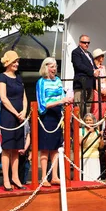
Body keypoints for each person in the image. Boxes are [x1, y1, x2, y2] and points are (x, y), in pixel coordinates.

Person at [36, 57, 70, 187]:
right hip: (46, 116)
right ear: (46, 67)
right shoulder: (41, 82)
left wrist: (65, 100)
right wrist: (59, 102)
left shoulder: (58, 81)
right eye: (51, 67)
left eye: (55, 67)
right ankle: (44, 176)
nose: (54, 69)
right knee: (45, 148)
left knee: (56, 147)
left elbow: (61, 95)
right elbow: (42, 104)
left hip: (57, 115)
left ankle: (55, 176)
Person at [0, 50, 27, 190]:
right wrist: (16, 113)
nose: (17, 64)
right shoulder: (2, 77)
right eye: (14, 61)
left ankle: (16, 177)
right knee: (7, 148)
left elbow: (24, 97)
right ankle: (6, 179)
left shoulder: (19, 77)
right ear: (8, 63)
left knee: (16, 148)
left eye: (17, 61)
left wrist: (24, 111)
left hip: (20, 116)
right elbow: (3, 98)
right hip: (8, 115)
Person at [71, 34, 98, 115]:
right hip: (80, 84)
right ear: (80, 43)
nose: (86, 44)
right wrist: (92, 72)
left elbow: (93, 65)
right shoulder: (76, 52)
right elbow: (79, 65)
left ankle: (85, 125)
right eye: (84, 42)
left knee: (88, 106)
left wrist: (97, 70)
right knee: (79, 107)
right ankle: (77, 126)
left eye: (88, 43)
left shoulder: (89, 54)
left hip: (89, 84)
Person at [79, 113, 103, 181]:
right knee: (85, 178)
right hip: (84, 157)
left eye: (90, 120)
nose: (88, 122)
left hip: (95, 157)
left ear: (93, 121)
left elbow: (101, 147)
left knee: (94, 178)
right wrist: (88, 133)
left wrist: (101, 137)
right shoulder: (81, 130)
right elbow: (81, 143)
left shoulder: (97, 132)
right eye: (86, 120)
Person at [91, 48, 106, 120]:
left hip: (104, 90)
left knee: (103, 110)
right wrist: (100, 91)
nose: (103, 57)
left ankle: (100, 128)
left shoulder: (103, 67)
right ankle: (96, 128)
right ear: (97, 57)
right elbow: (94, 82)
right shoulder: (92, 68)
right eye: (102, 56)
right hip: (96, 91)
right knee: (96, 110)